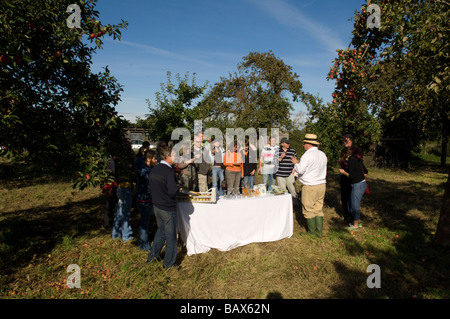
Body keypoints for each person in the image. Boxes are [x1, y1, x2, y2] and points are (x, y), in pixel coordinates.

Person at [147, 146, 180, 269]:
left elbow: (150, 188)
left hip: (157, 206)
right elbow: (172, 191)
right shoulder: (169, 171)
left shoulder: (155, 169)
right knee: (171, 236)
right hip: (167, 207)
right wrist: (177, 188)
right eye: (175, 155)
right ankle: (168, 264)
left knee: (161, 232)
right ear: (168, 156)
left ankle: (152, 257)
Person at [291, 134, 327, 238]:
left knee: (308, 209)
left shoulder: (307, 155)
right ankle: (319, 232)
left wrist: (295, 163)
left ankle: (311, 233)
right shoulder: (322, 154)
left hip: (310, 185)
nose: (303, 145)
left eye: (304, 143)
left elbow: (301, 170)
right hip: (321, 184)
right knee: (318, 208)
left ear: (308, 144)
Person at [112, 138, 136, 243]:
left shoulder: (117, 159)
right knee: (125, 212)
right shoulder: (125, 162)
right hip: (124, 187)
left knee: (119, 211)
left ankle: (116, 233)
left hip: (120, 187)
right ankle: (126, 235)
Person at [341, 147, 368, 231]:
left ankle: (356, 225)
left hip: (358, 185)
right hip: (360, 184)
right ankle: (356, 221)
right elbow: (366, 171)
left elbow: (351, 175)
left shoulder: (351, 161)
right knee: (351, 203)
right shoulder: (356, 159)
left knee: (354, 205)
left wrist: (343, 172)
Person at [136, 149, 157, 250]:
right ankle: (143, 245)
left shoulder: (149, 168)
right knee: (144, 222)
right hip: (144, 199)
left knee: (146, 221)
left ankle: (144, 241)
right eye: (154, 159)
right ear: (148, 159)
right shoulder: (144, 169)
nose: (155, 160)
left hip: (147, 198)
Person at [338, 134, 355, 225]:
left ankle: (352, 218)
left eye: (346, 141)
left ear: (351, 141)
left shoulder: (355, 151)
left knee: (351, 199)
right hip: (344, 177)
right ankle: (347, 215)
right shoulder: (343, 151)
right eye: (344, 141)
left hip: (351, 177)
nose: (345, 143)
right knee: (344, 198)